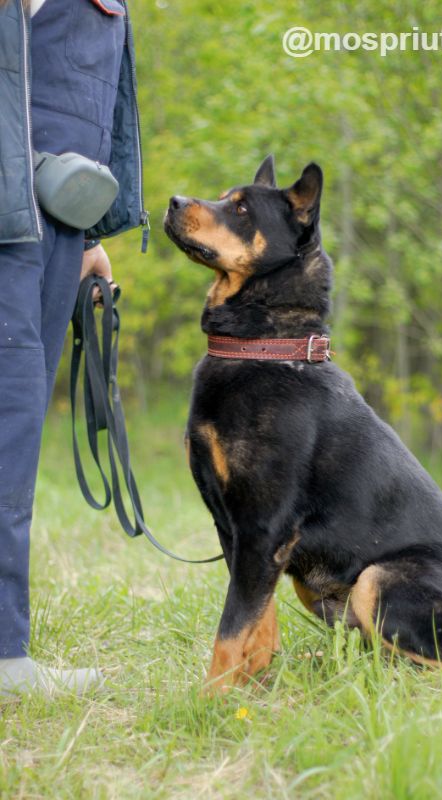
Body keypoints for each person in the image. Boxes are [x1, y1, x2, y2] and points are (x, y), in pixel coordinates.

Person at [0, 0, 148, 697]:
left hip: (54, 232)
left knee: (17, 423)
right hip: (8, 225)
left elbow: (73, 104)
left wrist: (89, 240)